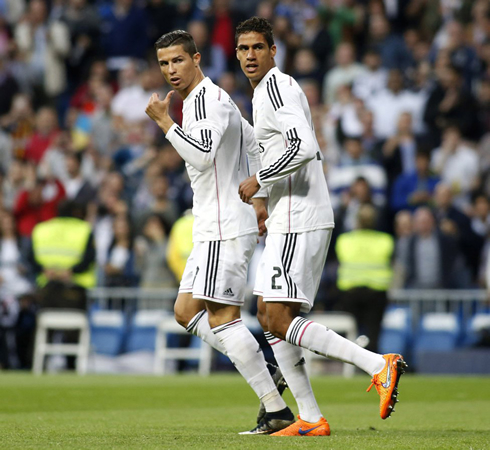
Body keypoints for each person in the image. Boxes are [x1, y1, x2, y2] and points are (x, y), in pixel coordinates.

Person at [235, 17, 407, 437]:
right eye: (243, 49)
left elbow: (304, 147)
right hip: (287, 212)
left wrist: (260, 181)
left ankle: (376, 364)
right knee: (271, 315)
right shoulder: (264, 94)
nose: (250, 56)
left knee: (274, 316)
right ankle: (310, 417)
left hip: (300, 214)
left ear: (273, 51)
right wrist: (264, 202)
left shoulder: (276, 87)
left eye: (258, 47)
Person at [145, 30, 294, 434]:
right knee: (185, 312)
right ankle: (265, 371)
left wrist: (165, 123)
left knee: (224, 318)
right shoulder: (210, 100)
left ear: (196, 59)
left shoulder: (205, 101)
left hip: (225, 225)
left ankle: (275, 407)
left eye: (178, 60)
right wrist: (259, 195)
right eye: (164, 63)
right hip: (214, 224)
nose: (171, 70)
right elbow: (251, 142)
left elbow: (203, 152)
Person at [335, 204, 394, 353]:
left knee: (350, 332)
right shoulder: (386, 241)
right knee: (374, 332)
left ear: (357, 221)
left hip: (350, 293)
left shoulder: (344, 240)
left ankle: (351, 362)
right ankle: (372, 366)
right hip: (376, 293)